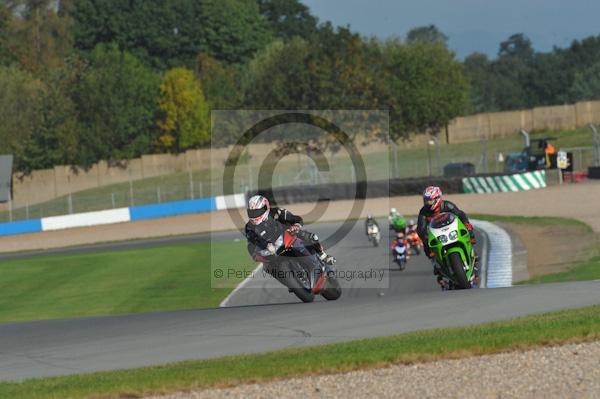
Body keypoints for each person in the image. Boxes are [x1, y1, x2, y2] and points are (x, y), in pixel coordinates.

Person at [244, 195, 335, 273]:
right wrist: (257, 254)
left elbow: (296, 219)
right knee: (267, 267)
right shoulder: (249, 227)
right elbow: (251, 242)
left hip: (288, 234)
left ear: (265, 208)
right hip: (271, 248)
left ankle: (323, 256)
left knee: (309, 236)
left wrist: (296, 225)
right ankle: (287, 279)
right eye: (251, 212)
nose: (254, 215)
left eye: (257, 212)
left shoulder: (276, 212)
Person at [416, 186, 477, 288]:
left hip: (451, 230)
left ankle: (474, 259)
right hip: (437, 234)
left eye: (429, 201)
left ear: (437, 199)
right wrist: (424, 236)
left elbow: (460, 214)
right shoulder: (423, 212)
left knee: (469, 234)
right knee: (427, 247)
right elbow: (420, 228)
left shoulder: (447, 205)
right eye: (426, 201)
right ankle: (436, 265)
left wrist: (467, 224)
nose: (427, 204)